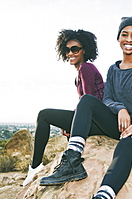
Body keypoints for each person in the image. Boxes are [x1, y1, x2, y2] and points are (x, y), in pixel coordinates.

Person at [39, 17, 132, 199]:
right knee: (87, 101)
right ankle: (72, 161)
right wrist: (121, 109)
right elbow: (107, 100)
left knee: (124, 148)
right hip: (119, 122)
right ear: (118, 38)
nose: (129, 39)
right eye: (124, 34)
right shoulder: (113, 69)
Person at [22, 29, 104, 186]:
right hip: (93, 120)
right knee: (45, 116)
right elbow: (83, 104)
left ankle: (35, 167)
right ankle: (35, 167)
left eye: (75, 49)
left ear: (85, 50)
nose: (70, 53)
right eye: (67, 50)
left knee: (44, 115)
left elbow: (90, 100)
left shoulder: (86, 68)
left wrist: (75, 124)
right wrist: (72, 123)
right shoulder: (79, 73)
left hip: (98, 122)